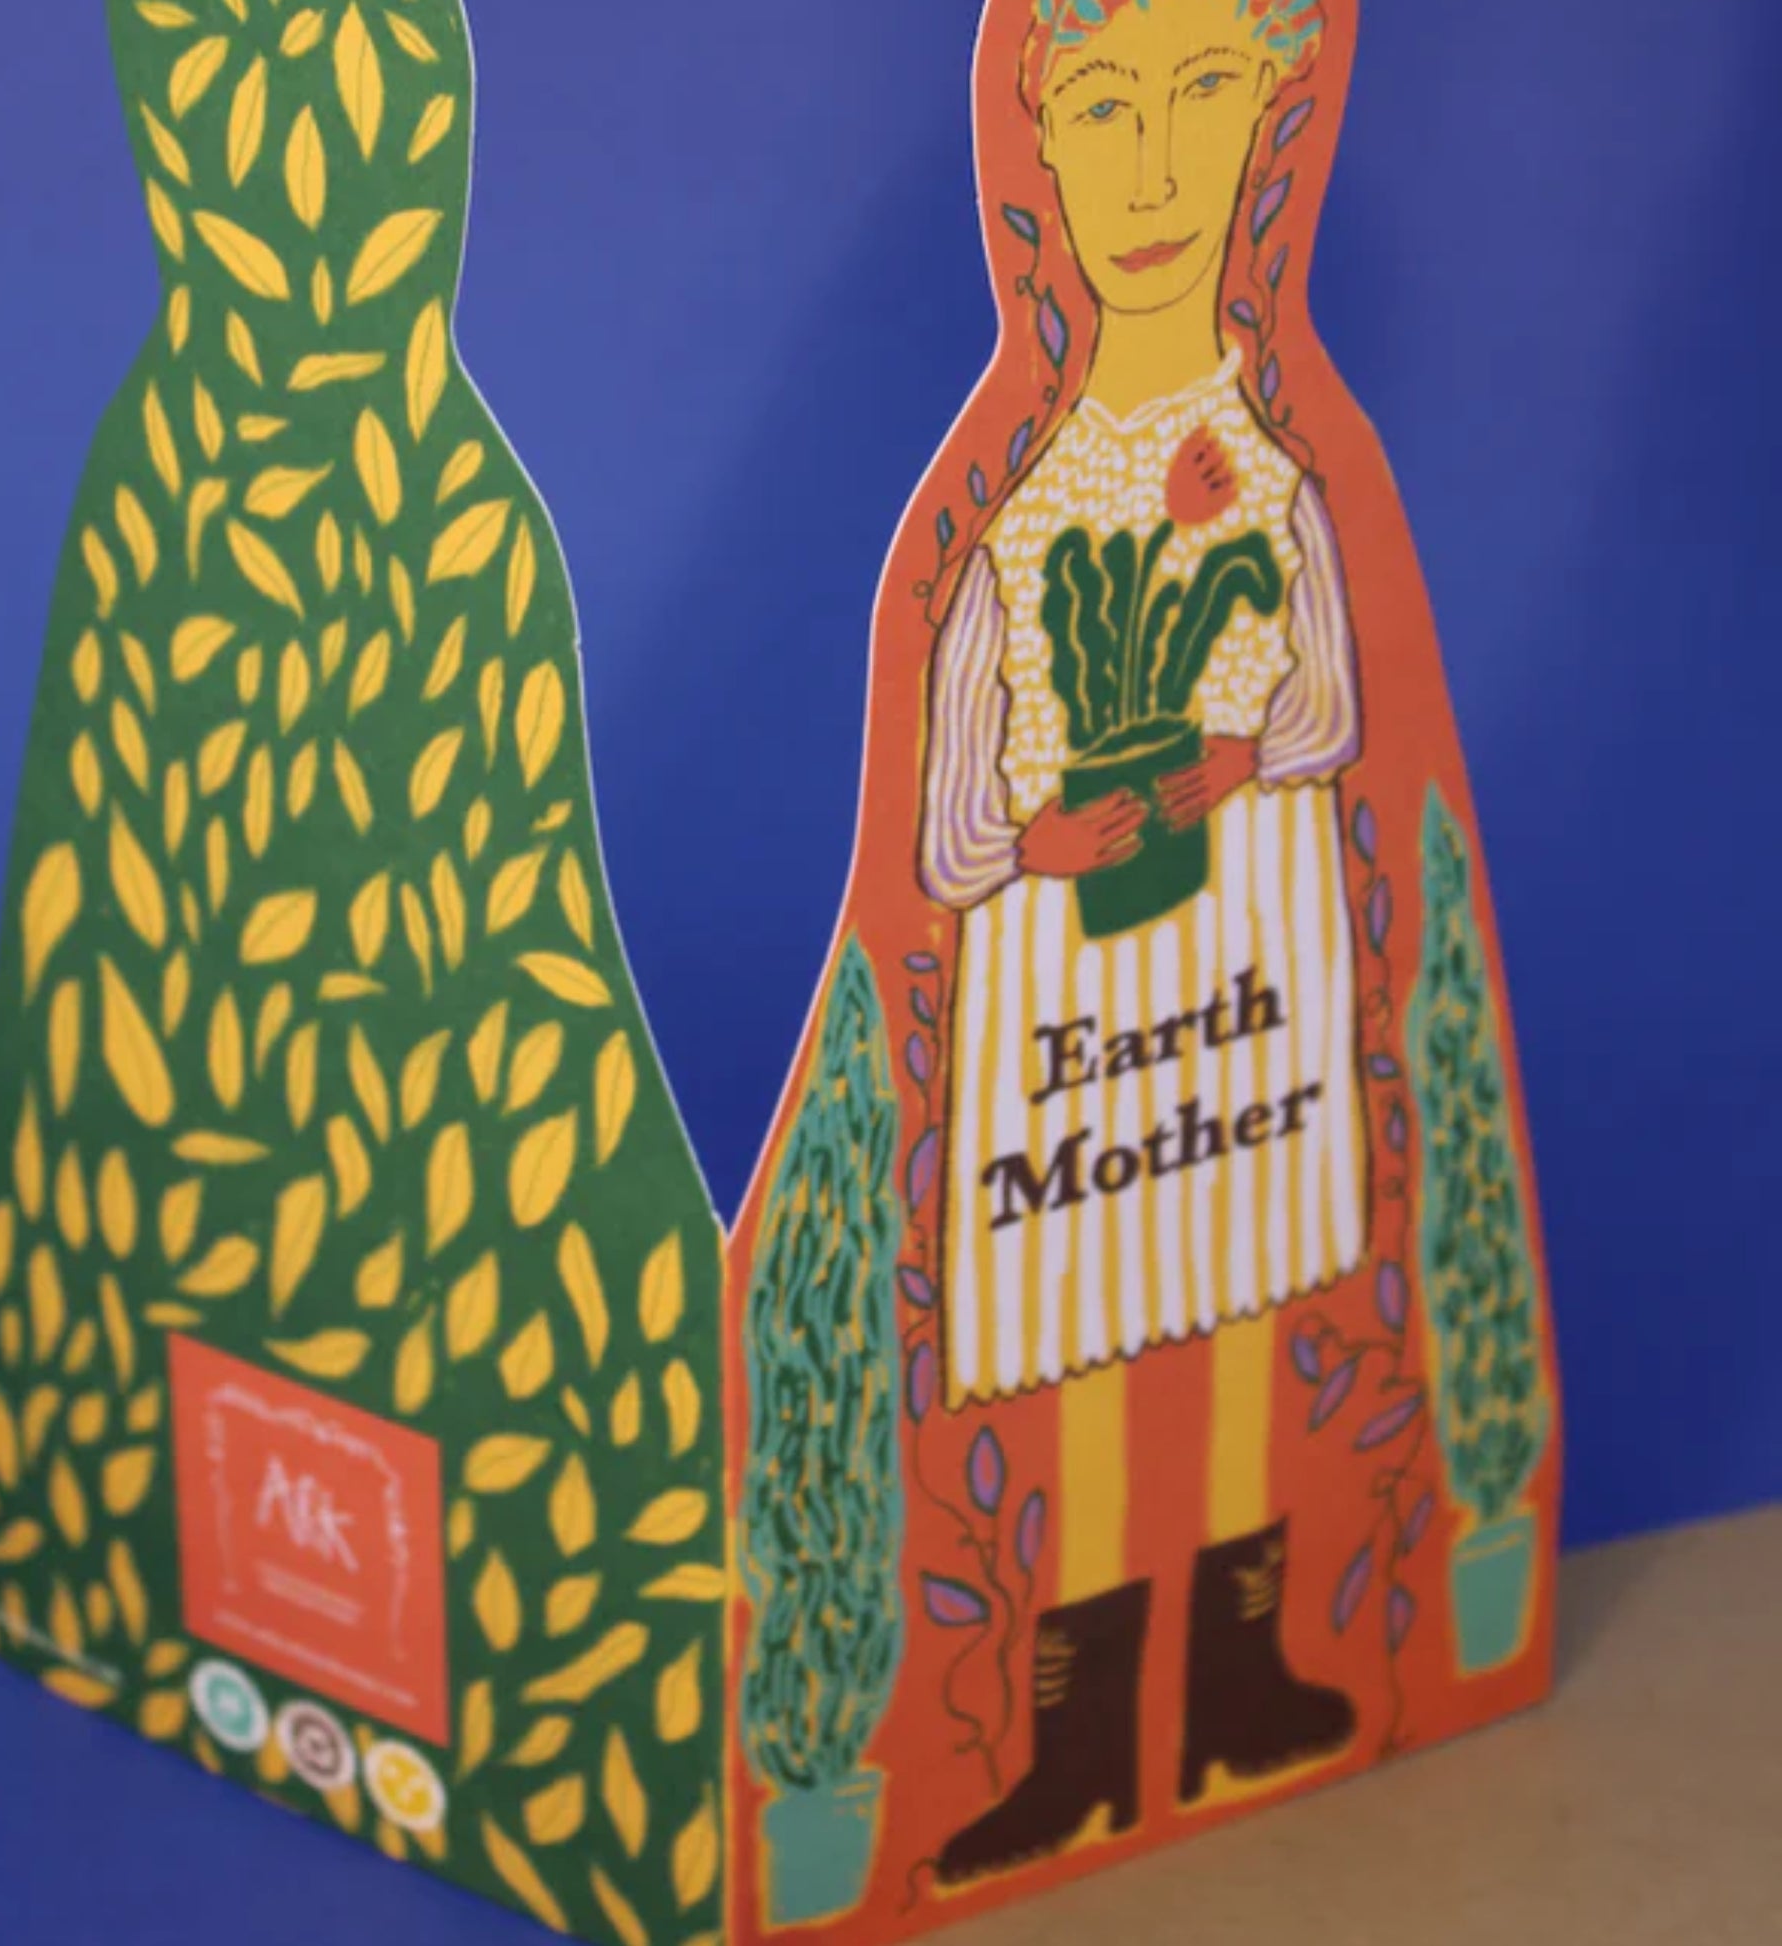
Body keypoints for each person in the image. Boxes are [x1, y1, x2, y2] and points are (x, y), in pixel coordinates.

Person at [917, 0, 1367, 1883]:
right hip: (1067, 985)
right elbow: (947, 827)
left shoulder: (1276, 468)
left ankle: (1244, 1674)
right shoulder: (1013, 516)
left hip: (1249, 928)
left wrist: (1234, 757)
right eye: (1106, 110)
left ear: (1273, 118)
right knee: (1088, 1335)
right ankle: (1084, 1735)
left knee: (1245, 1277)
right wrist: (1040, 837)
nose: (1157, 169)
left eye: (1205, 97)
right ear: (1036, 145)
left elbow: (1331, 704)